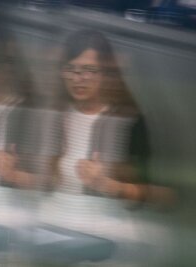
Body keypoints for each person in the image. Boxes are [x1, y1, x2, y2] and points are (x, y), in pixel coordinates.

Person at [59, 29, 150, 201]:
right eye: (70, 69)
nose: (78, 79)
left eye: (89, 70)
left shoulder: (128, 122)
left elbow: (162, 196)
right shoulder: (57, 117)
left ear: (105, 73)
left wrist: (105, 184)